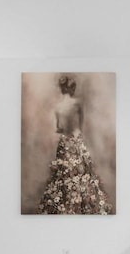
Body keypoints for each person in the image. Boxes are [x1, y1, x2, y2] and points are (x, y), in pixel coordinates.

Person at [37, 75, 113, 215]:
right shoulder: (77, 103)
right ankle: (82, 205)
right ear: (71, 88)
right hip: (76, 140)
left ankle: (66, 207)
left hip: (64, 143)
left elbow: (59, 128)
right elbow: (80, 126)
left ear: (62, 89)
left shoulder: (58, 108)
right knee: (82, 174)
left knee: (63, 176)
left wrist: (65, 129)